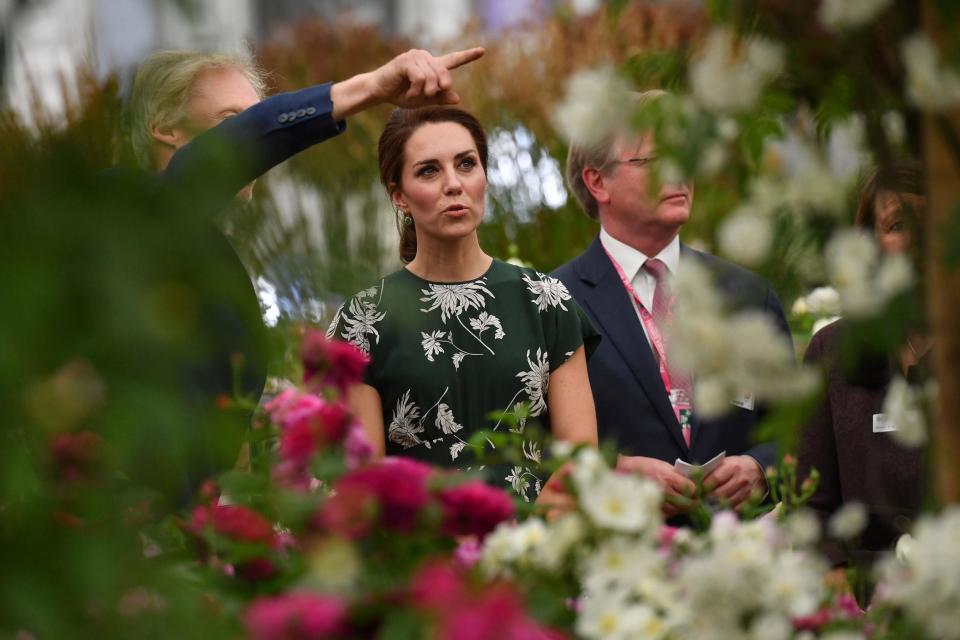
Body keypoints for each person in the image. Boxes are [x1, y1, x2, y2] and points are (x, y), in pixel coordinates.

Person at [100, 47, 485, 497]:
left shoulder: (216, 258)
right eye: (234, 121)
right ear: (165, 129)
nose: (257, 147)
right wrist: (369, 88)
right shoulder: (123, 204)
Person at [327, 105, 599, 501]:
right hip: (419, 547)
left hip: (534, 543)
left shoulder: (545, 301)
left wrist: (535, 548)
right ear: (398, 194)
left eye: (466, 164)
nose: (453, 184)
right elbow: (362, 484)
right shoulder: (364, 320)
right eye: (429, 170)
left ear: (484, 176)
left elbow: (579, 464)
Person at [552, 91, 790, 518]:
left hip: (741, 557)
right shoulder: (554, 302)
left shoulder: (750, 297)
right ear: (597, 181)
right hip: (616, 558)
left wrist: (761, 467)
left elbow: (799, 429)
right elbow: (531, 450)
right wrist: (615, 472)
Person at [797, 159, 928, 568]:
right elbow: (813, 511)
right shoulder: (831, 353)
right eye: (895, 226)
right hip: (866, 604)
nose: (915, 240)